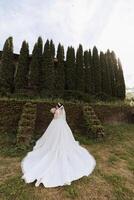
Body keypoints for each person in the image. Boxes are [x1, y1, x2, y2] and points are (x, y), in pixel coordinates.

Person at [21, 102, 96, 188]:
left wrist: (55, 111)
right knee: (60, 138)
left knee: (54, 138)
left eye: (57, 106)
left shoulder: (57, 111)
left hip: (57, 125)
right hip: (62, 125)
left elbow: (55, 118)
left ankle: (55, 148)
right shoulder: (61, 111)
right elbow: (56, 115)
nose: (56, 107)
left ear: (59, 107)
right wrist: (54, 111)